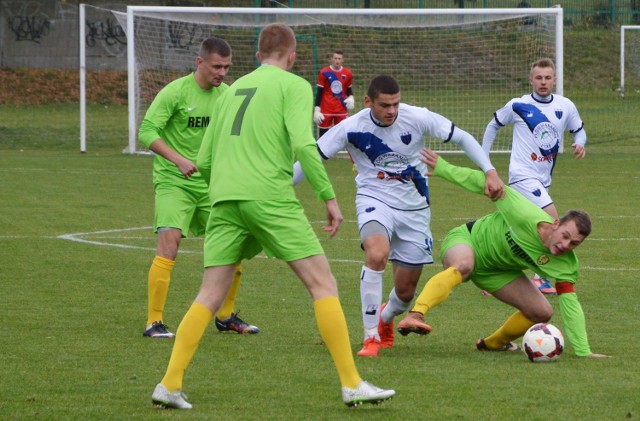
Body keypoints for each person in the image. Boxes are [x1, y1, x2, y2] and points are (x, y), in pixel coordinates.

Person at [150, 23, 395, 410]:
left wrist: (222, 195)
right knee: (324, 284)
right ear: (292, 55)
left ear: (258, 54)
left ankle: (169, 383)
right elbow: (303, 143)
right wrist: (328, 197)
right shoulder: (294, 86)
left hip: (225, 200)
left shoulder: (231, 93)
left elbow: (207, 158)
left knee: (209, 294)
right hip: (269, 198)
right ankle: (352, 384)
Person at [294, 75, 505, 358]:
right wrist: (279, 187)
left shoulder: (416, 117)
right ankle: (370, 338)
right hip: (374, 200)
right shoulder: (351, 127)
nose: (391, 110)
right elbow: (312, 157)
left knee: (405, 295)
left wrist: (489, 170)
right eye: (384, 105)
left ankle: (386, 316)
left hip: (415, 209)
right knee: (377, 254)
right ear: (368, 102)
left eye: (395, 103)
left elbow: (463, 137)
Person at [397, 149, 608, 359]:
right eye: (565, 235)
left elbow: (571, 307)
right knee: (463, 266)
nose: (565, 245)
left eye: (574, 244)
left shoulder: (566, 265)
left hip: (497, 272)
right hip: (469, 241)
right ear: (555, 224)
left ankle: (493, 344)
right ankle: (416, 314)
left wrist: (584, 352)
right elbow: (485, 183)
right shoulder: (524, 213)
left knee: (542, 312)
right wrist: (445, 168)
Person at [138, 37, 258, 338]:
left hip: (211, 183)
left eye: (227, 67)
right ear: (200, 62)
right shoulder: (176, 92)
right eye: (217, 66)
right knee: (170, 243)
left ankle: (226, 315)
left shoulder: (228, 95)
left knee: (234, 245)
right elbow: (146, 131)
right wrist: (177, 159)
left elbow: (238, 136)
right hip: (173, 180)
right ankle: (154, 322)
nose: (222, 73)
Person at [482, 57, 587, 295]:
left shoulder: (565, 105)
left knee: (515, 229)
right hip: (522, 176)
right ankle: (541, 278)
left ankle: (494, 274)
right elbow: (493, 125)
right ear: (531, 80)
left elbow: (579, 131)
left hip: (543, 179)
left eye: (547, 78)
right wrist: (484, 159)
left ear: (555, 80)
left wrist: (580, 144)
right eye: (538, 77)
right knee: (552, 221)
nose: (543, 82)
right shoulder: (518, 104)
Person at [313, 49, 354, 138]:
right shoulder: (324, 72)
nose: (337, 61)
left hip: (341, 110)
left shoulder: (348, 73)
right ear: (331, 59)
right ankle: (321, 152)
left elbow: (349, 90)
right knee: (323, 136)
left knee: (344, 135)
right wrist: (317, 110)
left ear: (343, 60)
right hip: (326, 110)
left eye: (339, 59)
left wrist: (351, 97)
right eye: (335, 58)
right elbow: (319, 93)